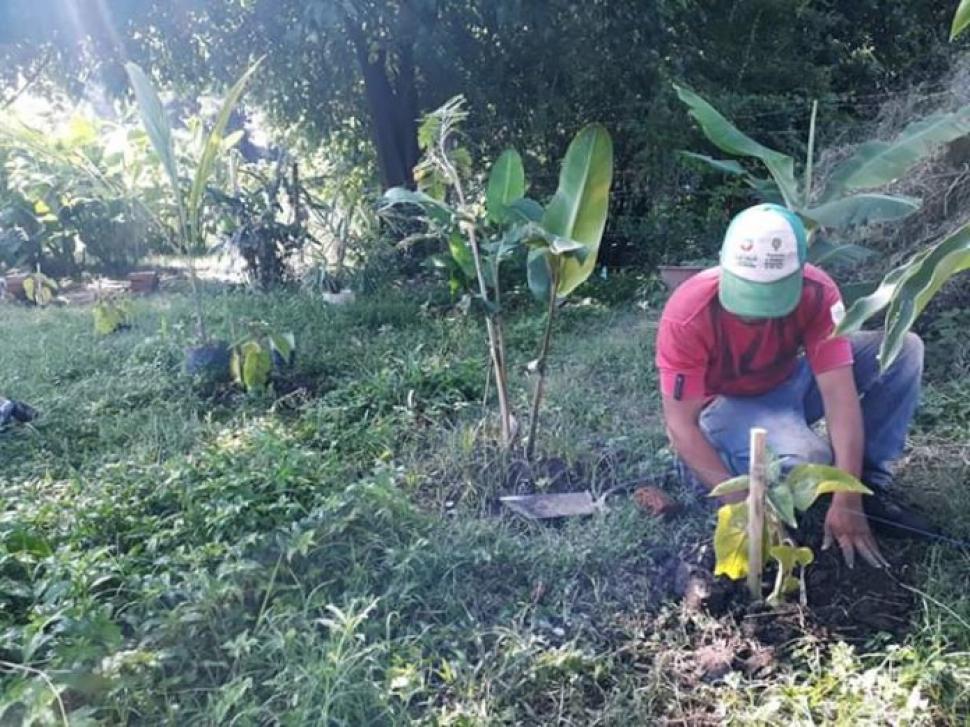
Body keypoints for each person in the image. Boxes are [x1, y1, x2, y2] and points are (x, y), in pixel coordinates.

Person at [655, 203, 930, 569]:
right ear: (724, 265)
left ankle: (869, 488)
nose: (754, 315)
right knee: (810, 460)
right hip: (728, 402)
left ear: (800, 273)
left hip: (789, 379)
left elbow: (838, 395)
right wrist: (743, 510)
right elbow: (679, 425)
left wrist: (846, 492)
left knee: (903, 350)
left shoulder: (818, 293)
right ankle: (723, 460)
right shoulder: (689, 312)